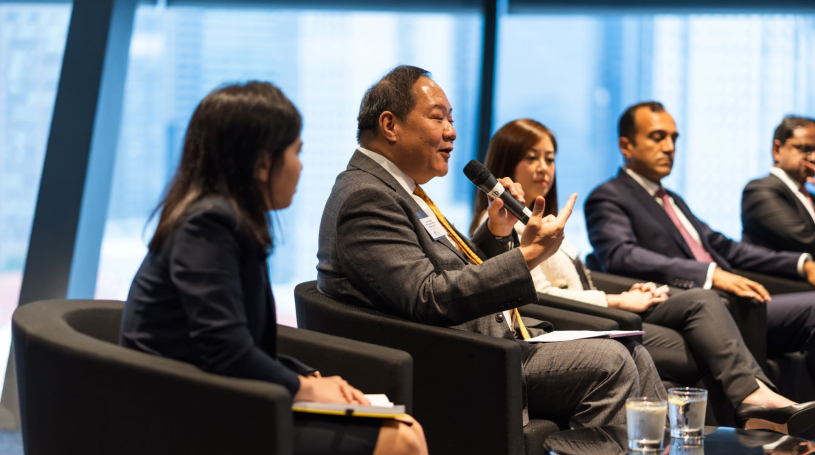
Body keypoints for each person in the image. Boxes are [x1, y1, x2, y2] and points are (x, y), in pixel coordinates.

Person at [317, 65, 667, 430]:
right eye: (438, 118)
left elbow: (451, 269)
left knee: (636, 353)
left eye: (451, 119)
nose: (451, 131)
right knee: (612, 362)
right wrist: (527, 256)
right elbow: (427, 297)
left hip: (488, 342)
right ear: (390, 125)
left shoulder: (398, 190)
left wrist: (497, 232)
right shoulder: (367, 197)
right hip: (464, 361)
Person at [120, 81, 428, 455]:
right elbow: (225, 349)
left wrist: (305, 375)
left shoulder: (226, 220)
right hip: (185, 414)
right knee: (401, 441)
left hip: (216, 396)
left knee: (405, 429)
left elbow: (239, 342)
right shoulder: (208, 226)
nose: (301, 166)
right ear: (264, 163)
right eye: (297, 152)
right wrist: (306, 388)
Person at [473, 118, 810, 432]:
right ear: (507, 163)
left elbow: (582, 277)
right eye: (532, 157)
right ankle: (739, 410)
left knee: (703, 308)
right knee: (703, 338)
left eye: (550, 158)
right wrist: (616, 299)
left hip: (599, 306)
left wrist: (630, 291)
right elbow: (536, 293)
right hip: (575, 321)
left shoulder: (541, 220)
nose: (544, 167)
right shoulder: (499, 227)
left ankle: (743, 405)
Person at [584, 101, 815, 434]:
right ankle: (756, 400)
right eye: (658, 137)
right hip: (686, 304)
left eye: (674, 138)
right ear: (626, 145)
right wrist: (708, 276)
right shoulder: (608, 197)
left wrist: (801, 264)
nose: (669, 147)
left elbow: (725, 248)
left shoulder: (673, 199)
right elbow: (622, 256)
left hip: (733, 304)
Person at [742, 115, 815, 255]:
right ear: (777, 149)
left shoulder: (810, 196)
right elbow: (807, 242)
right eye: (805, 149)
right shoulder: (759, 191)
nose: (813, 157)